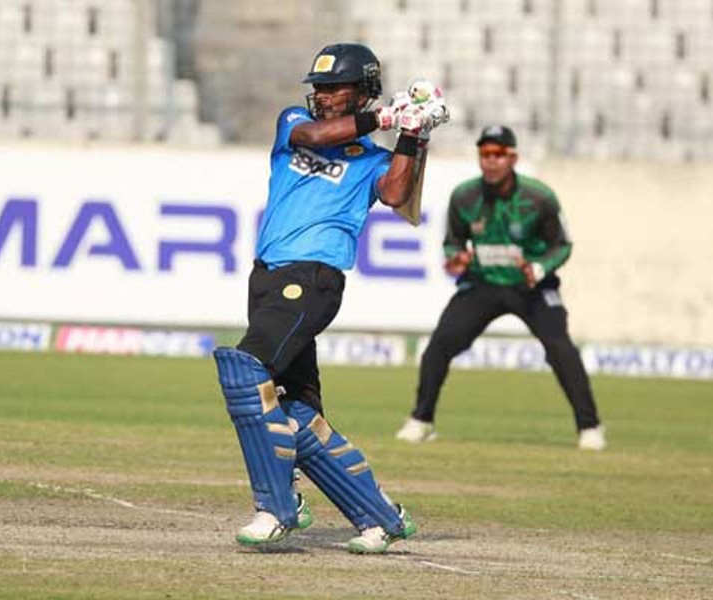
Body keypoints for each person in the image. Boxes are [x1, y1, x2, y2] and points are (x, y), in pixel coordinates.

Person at [212, 43, 448, 554]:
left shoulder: (373, 158)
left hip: (313, 277)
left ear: (362, 91)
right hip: (267, 277)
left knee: (245, 371)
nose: (320, 96)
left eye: (332, 88)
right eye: (317, 88)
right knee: (296, 410)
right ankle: (380, 517)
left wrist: (413, 133)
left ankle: (277, 507)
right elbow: (315, 137)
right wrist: (386, 117)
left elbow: (396, 195)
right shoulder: (294, 122)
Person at [395, 125, 606, 450]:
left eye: (498, 154)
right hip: (483, 282)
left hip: (531, 285)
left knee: (561, 348)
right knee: (439, 345)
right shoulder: (465, 196)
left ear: (513, 158)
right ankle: (421, 420)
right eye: (485, 154)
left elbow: (562, 245)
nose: (490, 161)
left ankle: (589, 427)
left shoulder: (539, 197)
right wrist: (456, 258)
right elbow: (453, 242)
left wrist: (539, 268)